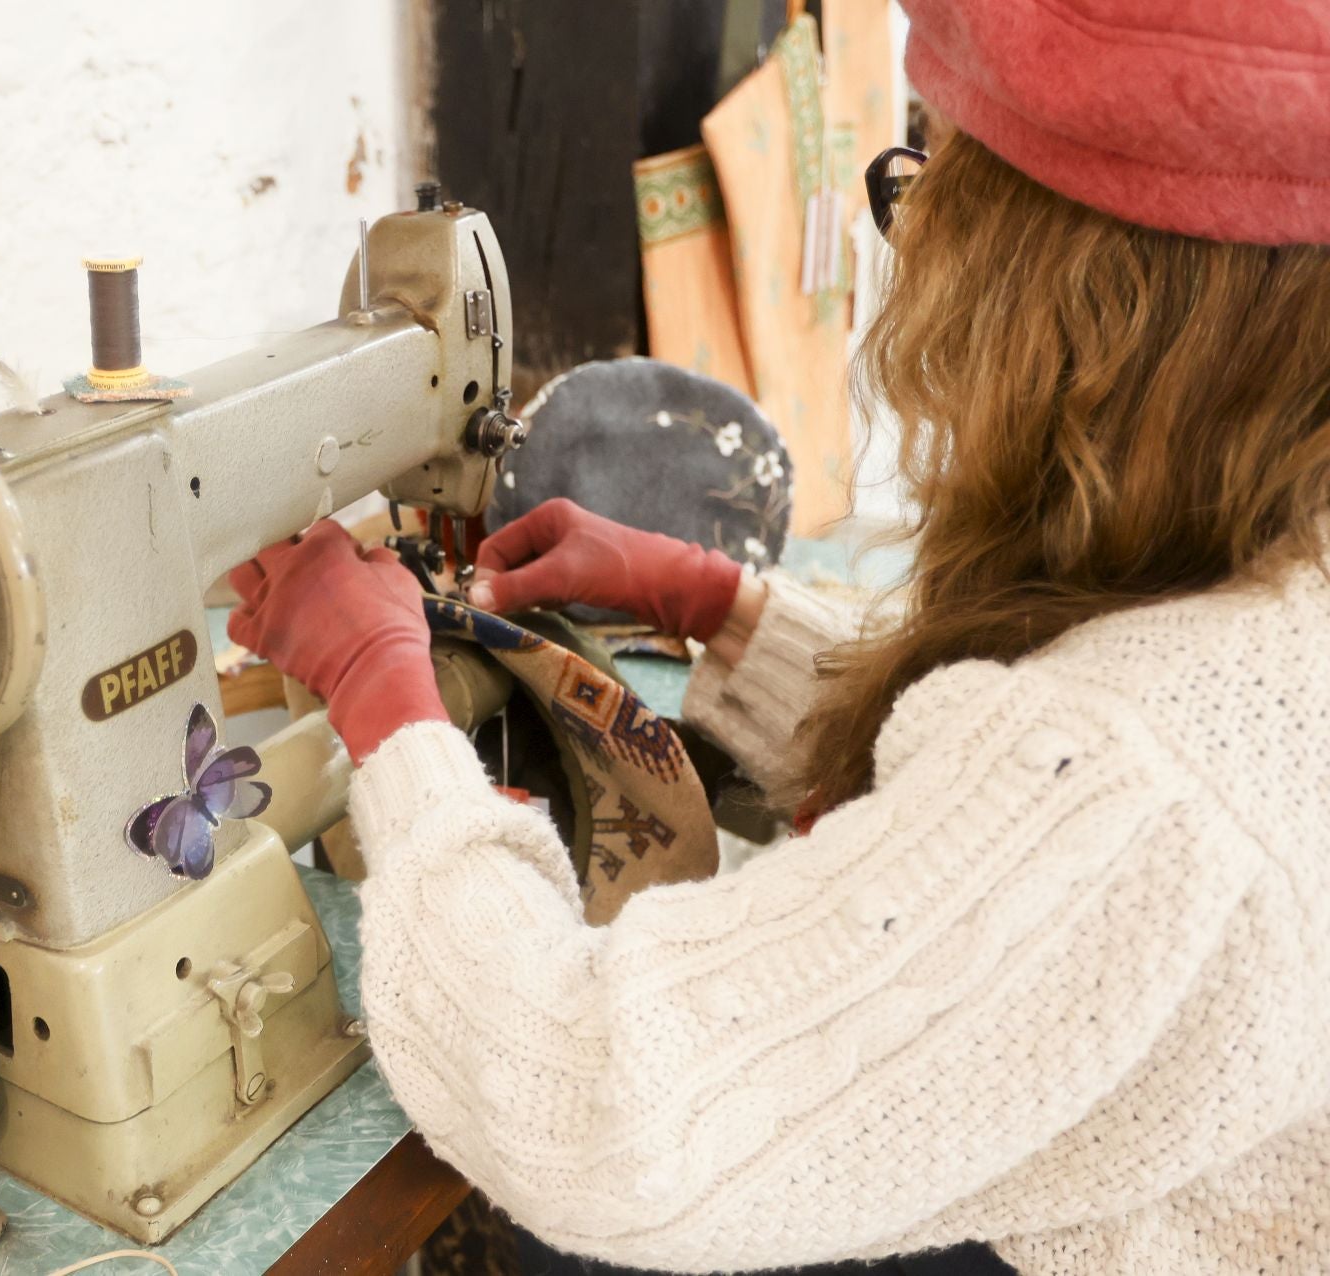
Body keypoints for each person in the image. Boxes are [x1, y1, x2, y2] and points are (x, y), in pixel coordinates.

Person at [227, 1, 1330, 1272]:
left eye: (930, 194)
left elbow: (600, 1115)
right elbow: (1002, 820)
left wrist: (382, 695)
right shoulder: (1263, 591)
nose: (912, 247)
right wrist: (718, 605)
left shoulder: (1132, 780)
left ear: (1075, 301)